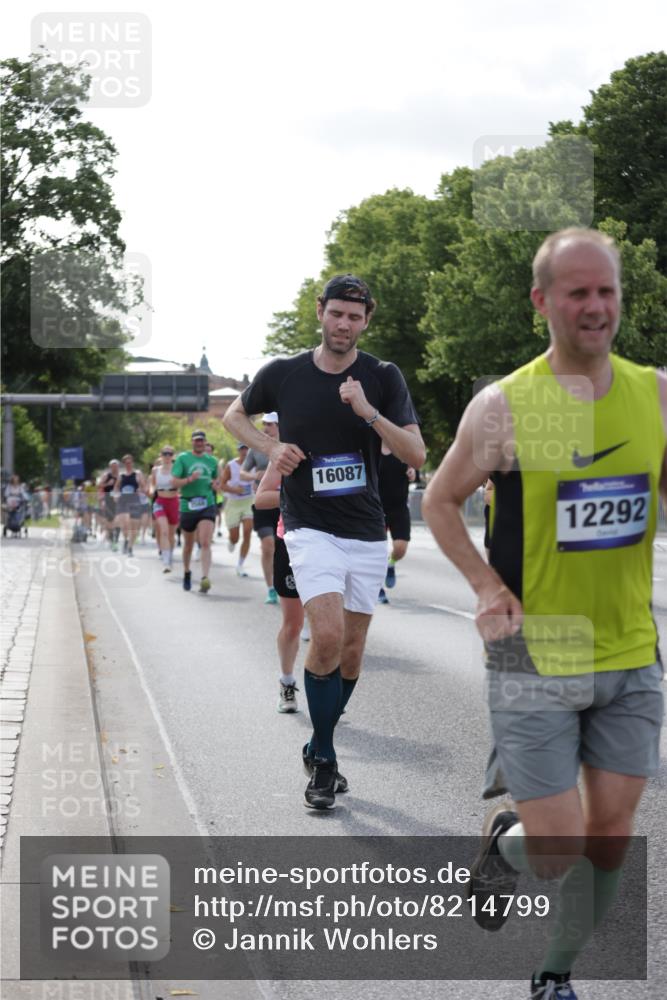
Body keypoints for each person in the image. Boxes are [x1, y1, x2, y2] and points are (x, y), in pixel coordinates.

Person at [422, 228, 666, 1000]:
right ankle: (508, 845)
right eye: (576, 292)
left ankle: (552, 974)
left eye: (606, 291)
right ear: (541, 302)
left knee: (611, 836)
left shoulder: (655, 393)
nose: (595, 307)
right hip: (532, 650)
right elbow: (439, 501)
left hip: (630, 649)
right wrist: (484, 587)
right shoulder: (505, 406)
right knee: (559, 847)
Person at [224, 273, 425, 809]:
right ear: (320, 312)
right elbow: (233, 416)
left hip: (366, 529)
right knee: (328, 636)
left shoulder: (382, 376)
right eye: (336, 313)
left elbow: (416, 454)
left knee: (352, 653)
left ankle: (317, 744)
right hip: (308, 525)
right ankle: (327, 761)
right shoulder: (284, 373)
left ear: (366, 321)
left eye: (355, 317)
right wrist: (271, 447)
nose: (344, 324)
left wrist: (369, 412)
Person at [255, 460, 304, 714]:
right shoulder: (287, 451)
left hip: (338, 539)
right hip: (293, 541)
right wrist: (303, 492)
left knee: (332, 626)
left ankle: (328, 689)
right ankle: (287, 682)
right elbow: (261, 498)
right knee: (293, 624)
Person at [171, 429, 220, 592]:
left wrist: (216, 485)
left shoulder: (212, 461)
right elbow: (174, 482)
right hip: (188, 505)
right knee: (188, 545)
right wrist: (189, 479)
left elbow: (217, 481)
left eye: (201, 440)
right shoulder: (183, 459)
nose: (199, 443)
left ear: (205, 442)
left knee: (205, 542)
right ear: (192, 442)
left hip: (207, 504)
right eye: (196, 440)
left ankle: (205, 577)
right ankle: (187, 571)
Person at [241, 412, 281, 604]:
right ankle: (271, 588)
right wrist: (254, 476)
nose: (266, 428)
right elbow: (243, 472)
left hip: (284, 504)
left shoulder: (289, 446)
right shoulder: (256, 449)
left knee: (283, 549)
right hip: (263, 503)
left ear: (279, 425)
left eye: (270, 424)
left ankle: (287, 585)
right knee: (267, 545)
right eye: (264, 424)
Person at [377, 443, 417, 603]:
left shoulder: (402, 449)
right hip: (376, 509)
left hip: (399, 509)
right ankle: (378, 588)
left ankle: (391, 564)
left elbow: (415, 466)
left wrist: (412, 472)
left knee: (400, 549)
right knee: (378, 552)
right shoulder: (372, 448)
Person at [220, 443, 254, 577]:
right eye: (242, 449)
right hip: (233, 503)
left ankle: (240, 564)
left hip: (248, 502)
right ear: (239, 451)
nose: (245, 451)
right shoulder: (231, 465)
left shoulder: (255, 465)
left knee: (248, 531)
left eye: (247, 448)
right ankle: (232, 541)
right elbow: (222, 485)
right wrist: (234, 490)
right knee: (235, 537)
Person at [151, 446, 178, 572]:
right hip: (160, 502)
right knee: (164, 531)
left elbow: (182, 484)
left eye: (169, 454)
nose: (167, 456)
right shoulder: (155, 470)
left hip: (174, 502)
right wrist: (151, 490)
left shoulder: (177, 469)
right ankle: (166, 562)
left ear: (173, 456)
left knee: (171, 534)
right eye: (165, 454)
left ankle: (169, 556)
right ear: (161, 455)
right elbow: (152, 485)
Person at [116, 455, 146, 556]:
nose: (128, 464)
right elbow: (116, 487)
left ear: (132, 463)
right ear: (124, 464)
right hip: (123, 501)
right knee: (124, 524)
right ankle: (126, 540)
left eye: (130, 462)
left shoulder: (138, 474)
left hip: (134, 500)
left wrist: (141, 489)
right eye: (126, 463)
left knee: (134, 526)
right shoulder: (121, 475)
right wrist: (115, 496)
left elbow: (144, 487)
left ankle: (130, 547)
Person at [98, 460, 121, 550]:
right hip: (109, 500)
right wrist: (107, 484)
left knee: (119, 519)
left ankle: (116, 539)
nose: (114, 468)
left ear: (118, 467)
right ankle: (111, 539)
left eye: (116, 466)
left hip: (119, 499)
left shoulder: (121, 476)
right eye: (112, 466)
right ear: (110, 467)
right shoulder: (107, 475)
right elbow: (99, 485)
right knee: (110, 521)